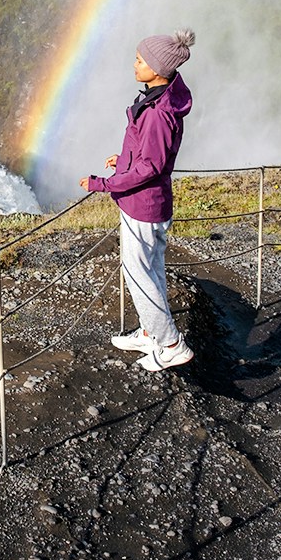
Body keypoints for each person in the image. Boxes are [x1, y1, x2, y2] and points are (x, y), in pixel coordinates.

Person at [79, 29, 196, 372]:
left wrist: (104, 183)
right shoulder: (160, 97)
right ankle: (151, 332)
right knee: (152, 269)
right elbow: (147, 154)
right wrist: (124, 158)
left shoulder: (159, 111)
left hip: (142, 206)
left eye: (140, 60)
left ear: (158, 69)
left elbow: (151, 166)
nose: (134, 64)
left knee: (138, 274)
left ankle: (171, 344)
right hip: (148, 204)